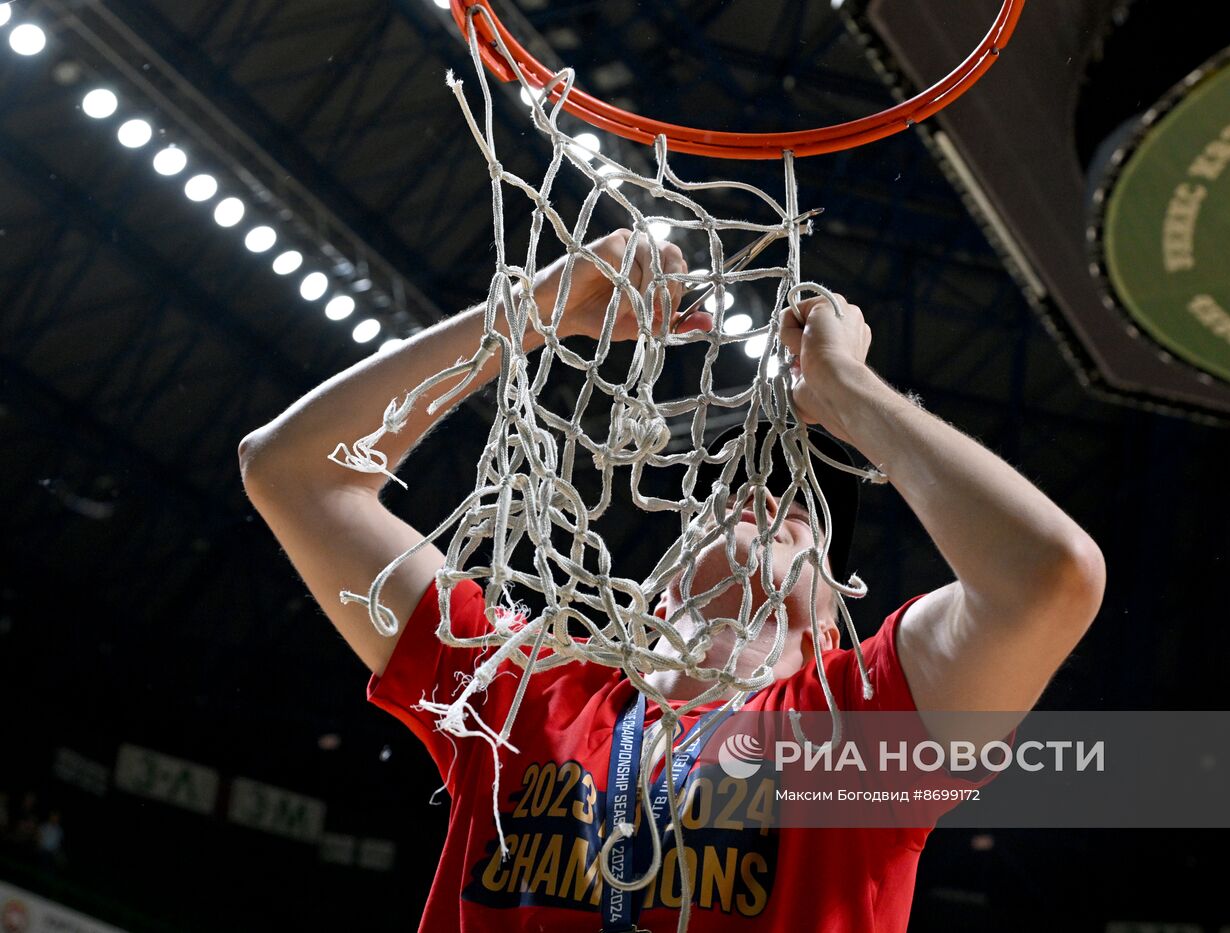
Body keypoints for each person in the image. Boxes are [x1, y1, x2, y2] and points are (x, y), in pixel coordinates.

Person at [239, 229, 1105, 932]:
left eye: (803, 512)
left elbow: (1047, 576)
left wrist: (847, 392)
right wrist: (537, 312)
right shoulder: (531, 694)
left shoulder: (856, 726)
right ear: (659, 594)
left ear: (837, 622)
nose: (765, 496)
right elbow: (293, 471)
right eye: (729, 498)